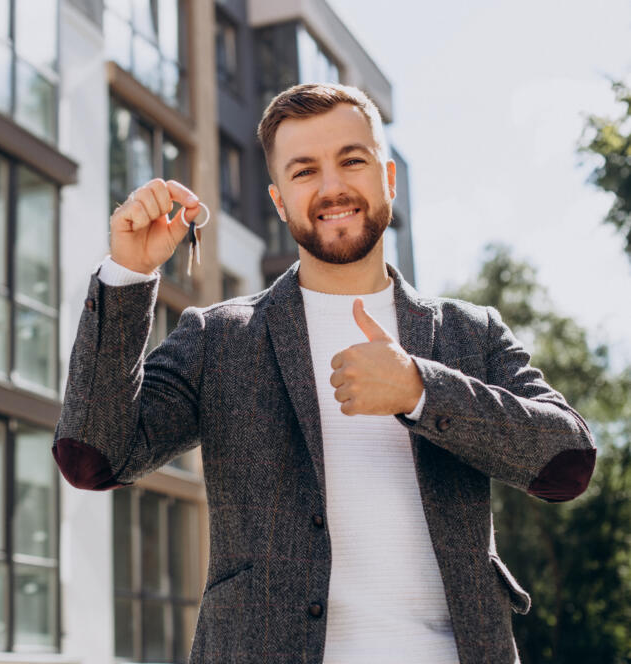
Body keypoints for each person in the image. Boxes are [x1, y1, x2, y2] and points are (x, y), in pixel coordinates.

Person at [53, 83, 596, 663]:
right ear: (279, 200)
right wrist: (128, 276)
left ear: (387, 178)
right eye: (305, 170)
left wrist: (420, 390)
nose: (333, 186)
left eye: (352, 161)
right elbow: (96, 456)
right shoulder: (220, 339)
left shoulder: (470, 332)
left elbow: (565, 463)